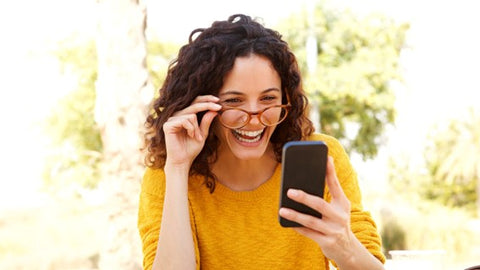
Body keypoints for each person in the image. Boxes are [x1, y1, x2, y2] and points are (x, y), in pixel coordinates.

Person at [138, 14, 386, 270]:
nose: (255, 119)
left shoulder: (325, 159)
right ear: (201, 104)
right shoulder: (168, 174)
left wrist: (343, 244)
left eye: (268, 99)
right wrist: (178, 169)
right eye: (234, 101)